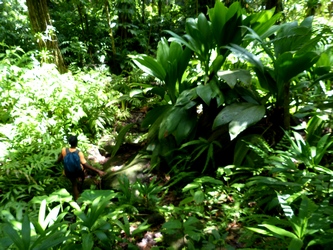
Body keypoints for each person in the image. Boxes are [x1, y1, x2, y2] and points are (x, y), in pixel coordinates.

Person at [55, 135, 105, 200]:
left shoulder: (64, 150)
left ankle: (77, 191)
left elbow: (58, 160)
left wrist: (53, 164)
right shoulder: (79, 153)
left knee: (74, 184)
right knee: (81, 170)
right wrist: (98, 171)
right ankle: (79, 191)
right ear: (76, 143)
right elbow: (86, 165)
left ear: (69, 143)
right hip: (77, 172)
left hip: (68, 173)